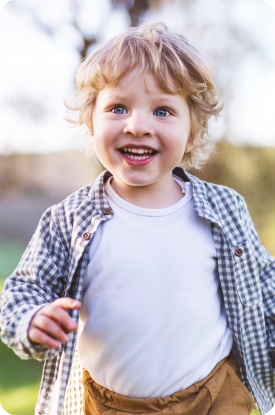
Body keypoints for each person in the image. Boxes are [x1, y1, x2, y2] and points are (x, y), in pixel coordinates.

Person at [0, 22, 274, 415]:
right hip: (111, 403)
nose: (137, 125)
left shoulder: (224, 209)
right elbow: (22, 292)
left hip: (213, 396)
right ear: (91, 122)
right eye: (117, 108)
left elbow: (265, 290)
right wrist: (31, 319)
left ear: (192, 132)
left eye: (162, 110)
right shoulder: (69, 220)